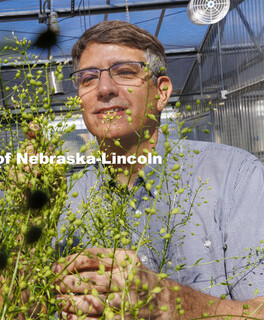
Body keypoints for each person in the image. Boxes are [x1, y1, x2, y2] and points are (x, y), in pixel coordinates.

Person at [52, 20, 264, 319]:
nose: (103, 88)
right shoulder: (66, 198)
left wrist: (164, 300)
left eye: (125, 72)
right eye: (87, 78)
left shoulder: (232, 175)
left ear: (161, 93)